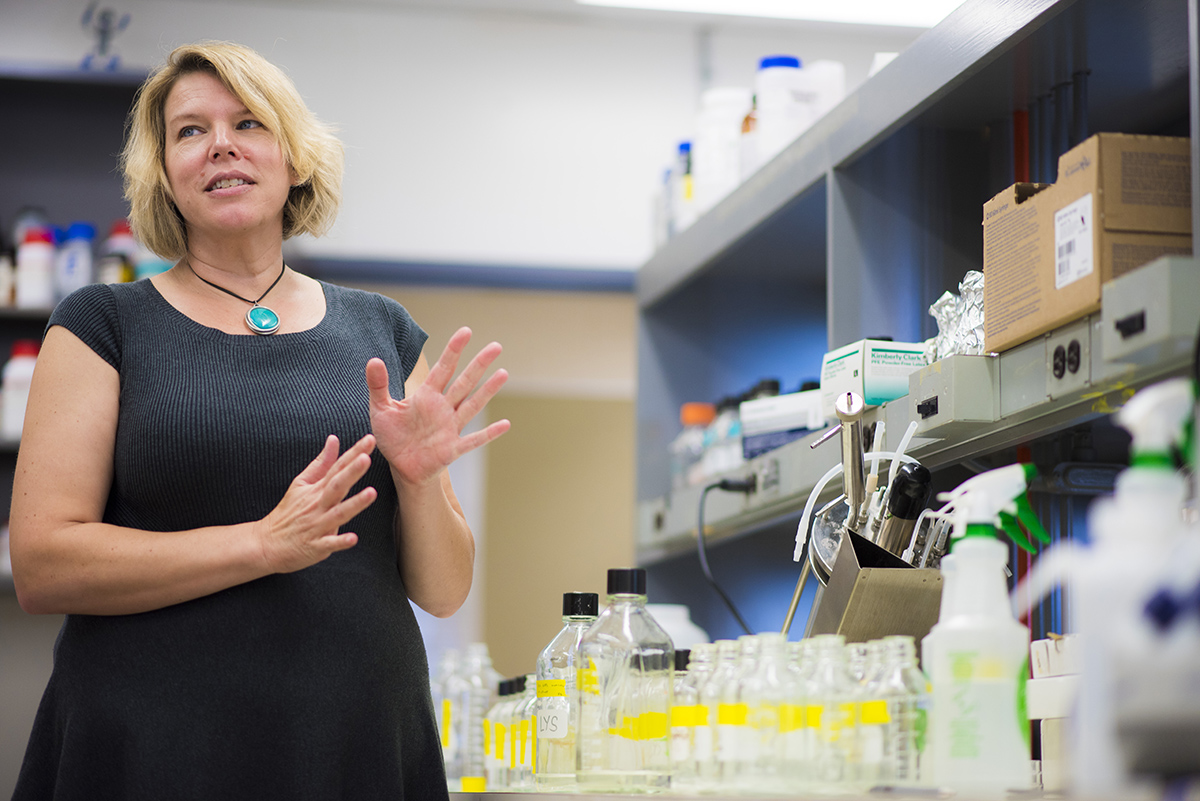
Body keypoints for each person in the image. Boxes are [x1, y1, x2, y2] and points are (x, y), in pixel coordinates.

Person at [9, 40, 509, 800]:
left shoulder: (381, 329)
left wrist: (418, 478)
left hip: (354, 738)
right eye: (190, 131)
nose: (221, 145)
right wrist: (261, 545)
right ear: (164, 174)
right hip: (154, 741)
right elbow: (44, 564)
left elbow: (443, 593)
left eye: (249, 123)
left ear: (295, 158)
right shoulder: (103, 323)